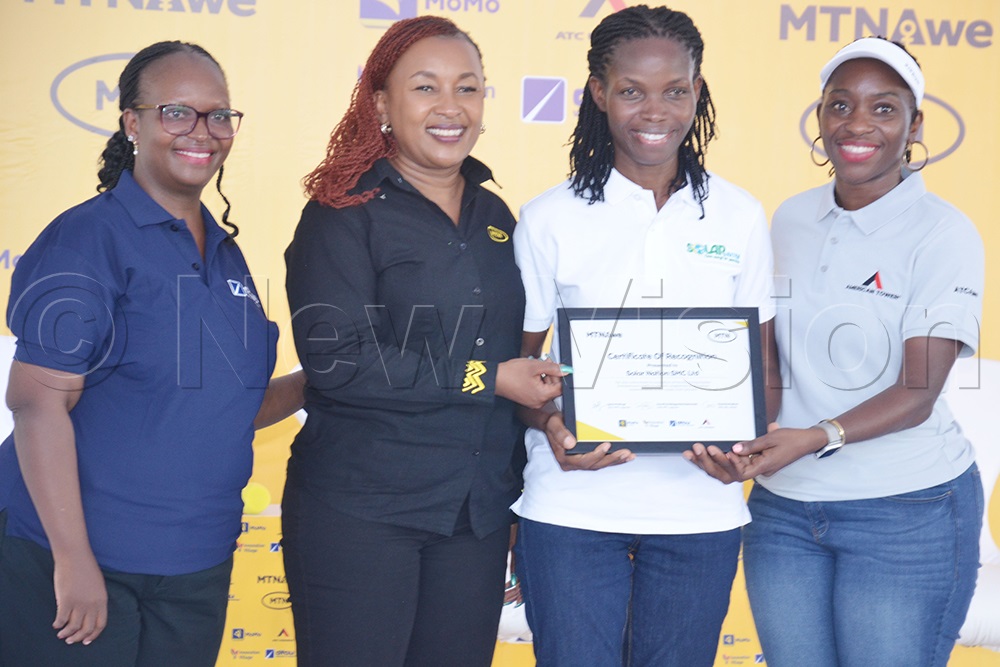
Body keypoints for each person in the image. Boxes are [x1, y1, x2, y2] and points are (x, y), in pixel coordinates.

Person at [0, 41, 305, 666]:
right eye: (177, 112)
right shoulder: (86, 240)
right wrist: (73, 560)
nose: (203, 131)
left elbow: (225, 408)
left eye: (219, 115)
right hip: (83, 568)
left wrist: (321, 379)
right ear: (132, 123)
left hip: (196, 570)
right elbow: (37, 409)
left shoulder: (226, 255)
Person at [692, 37, 985, 667]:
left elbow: (917, 392)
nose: (857, 124)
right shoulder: (789, 220)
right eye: (840, 104)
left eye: (884, 108)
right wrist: (738, 441)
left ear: (915, 124)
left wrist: (814, 435)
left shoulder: (945, 234)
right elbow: (769, 358)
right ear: (820, 117)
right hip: (785, 510)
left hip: (906, 512)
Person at [282, 16, 564, 667]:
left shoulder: (497, 217)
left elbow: (518, 357)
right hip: (360, 511)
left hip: (474, 517)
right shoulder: (341, 212)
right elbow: (340, 361)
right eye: (425, 87)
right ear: (381, 103)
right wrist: (486, 377)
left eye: (468, 89)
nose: (450, 107)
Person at [511, 5, 779, 666]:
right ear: (599, 94)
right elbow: (517, 370)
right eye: (632, 90)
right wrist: (550, 425)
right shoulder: (548, 218)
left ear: (698, 91)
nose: (655, 110)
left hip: (698, 514)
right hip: (573, 511)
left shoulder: (740, 215)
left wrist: (744, 446)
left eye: (676, 90)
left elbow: (762, 373)